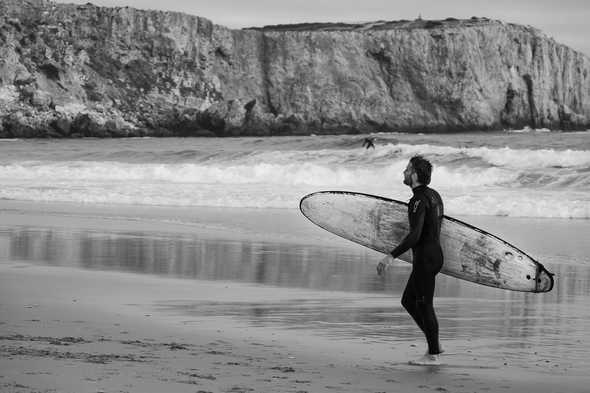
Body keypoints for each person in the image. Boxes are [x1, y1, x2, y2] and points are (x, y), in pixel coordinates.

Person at [377, 155, 444, 366]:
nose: (404, 173)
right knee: (408, 301)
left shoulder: (418, 200)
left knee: (425, 305)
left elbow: (415, 235)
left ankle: (433, 354)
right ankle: (435, 344)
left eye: (407, 169)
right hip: (434, 256)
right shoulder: (434, 195)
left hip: (425, 258)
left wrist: (390, 256)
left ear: (415, 174)